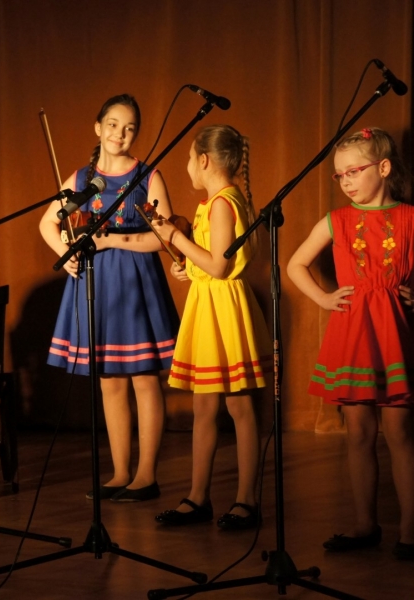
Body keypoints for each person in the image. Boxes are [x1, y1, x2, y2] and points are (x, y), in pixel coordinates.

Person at [39, 94, 180, 502]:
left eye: (130, 128)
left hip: (136, 283)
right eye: (114, 124)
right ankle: (120, 473)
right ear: (98, 127)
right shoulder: (79, 179)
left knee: (144, 379)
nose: (121, 133)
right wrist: (65, 254)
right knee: (110, 382)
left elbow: (164, 237)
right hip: (95, 283)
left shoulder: (147, 176)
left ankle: (146, 476)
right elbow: (47, 223)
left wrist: (109, 240)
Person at [287, 127, 414, 560]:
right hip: (354, 334)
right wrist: (323, 298)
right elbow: (296, 263)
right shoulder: (336, 220)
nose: (346, 181)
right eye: (339, 175)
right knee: (358, 432)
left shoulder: (410, 218)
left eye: (354, 171)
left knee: (400, 432)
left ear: (384, 168)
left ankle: (410, 531)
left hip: (395, 334)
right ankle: (365, 524)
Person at [152, 124, 270, 529]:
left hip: (225, 310)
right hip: (207, 306)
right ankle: (197, 497)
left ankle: (246, 500)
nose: (187, 165)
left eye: (189, 158)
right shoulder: (213, 203)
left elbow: (220, 267)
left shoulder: (223, 203)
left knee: (239, 406)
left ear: (203, 160)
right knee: (204, 407)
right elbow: (209, 261)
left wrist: (174, 236)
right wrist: (188, 265)